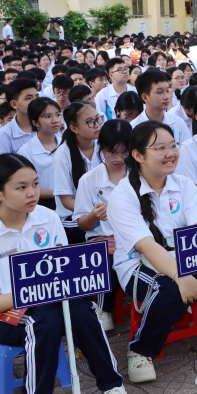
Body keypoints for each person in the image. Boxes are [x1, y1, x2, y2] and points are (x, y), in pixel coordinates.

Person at [0, 153, 126, 394]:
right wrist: (32, 291)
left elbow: (61, 275)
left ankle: (112, 385)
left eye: (35, 184)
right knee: (42, 322)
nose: (32, 193)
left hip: (50, 301)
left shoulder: (47, 218)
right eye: (21, 187)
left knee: (83, 310)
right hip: (1, 315)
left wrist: (54, 287)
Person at [108, 121, 197, 383]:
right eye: (160, 148)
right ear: (138, 155)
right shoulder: (123, 195)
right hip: (137, 264)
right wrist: (179, 276)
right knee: (169, 290)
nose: (170, 152)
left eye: (173, 145)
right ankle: (140, 349)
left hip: (184, 255)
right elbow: (147, 246)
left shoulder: (184, 184)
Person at [73, 119, 133, 332]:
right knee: (106, 259)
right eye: (112, 152)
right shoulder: (89, 180)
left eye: (125, 152)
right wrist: (94, 215)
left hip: (134, 237)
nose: (119, 158)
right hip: (102, 239)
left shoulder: (138, 175)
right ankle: (103, 307)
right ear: (101, 149)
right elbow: (82, 224)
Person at [53, 101, 103, 243]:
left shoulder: (102, 146)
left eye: (97, 119)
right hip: (74, 220)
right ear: (74, 128)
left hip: (102, 213)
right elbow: (66, 200)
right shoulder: (62, 155)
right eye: (89, 122)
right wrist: (93, 212)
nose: (97, 125)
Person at [18, 98, 63, 211]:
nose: (55, 120)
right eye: (48, 116)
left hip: (70, 202)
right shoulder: (26, 152)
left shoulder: (66, 143)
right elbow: (26, 188)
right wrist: (60, 192)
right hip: (43, 205)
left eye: (57, 115)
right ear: (35, 122)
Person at [0, 79, 39, 164]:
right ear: (14, 104)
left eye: (37, 97)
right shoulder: (4, 136)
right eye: (29, 98)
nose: (36, 102)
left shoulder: (47, 126)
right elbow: (4, 170)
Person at [130, 69, 191, 142]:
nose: (166, 96)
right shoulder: (134, 127)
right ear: (145, 97)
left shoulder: (178, 122)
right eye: (160, 92)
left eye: (167, 91)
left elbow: (188, 150)